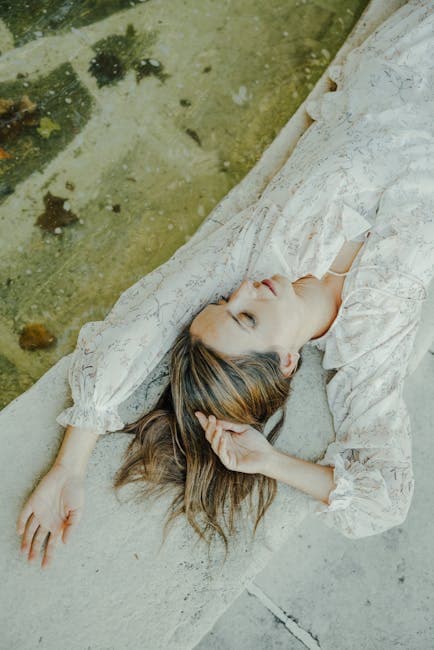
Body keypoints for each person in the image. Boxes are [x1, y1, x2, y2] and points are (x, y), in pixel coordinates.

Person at [17, 0, 434, 569]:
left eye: (226, 301)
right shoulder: (368, 346)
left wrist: (71, 461)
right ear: (288, 361)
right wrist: (270, 463)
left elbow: (142, 322)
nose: (245, 290)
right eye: (247, 317)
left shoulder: (264, 243)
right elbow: (386, 499)